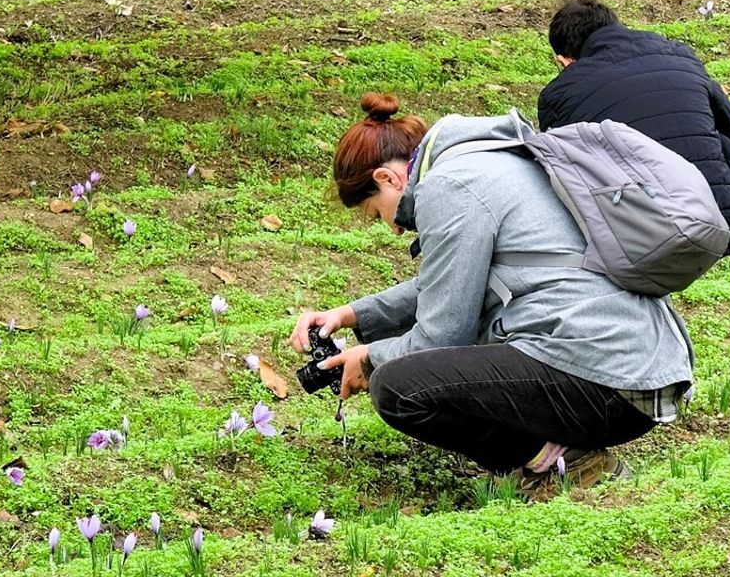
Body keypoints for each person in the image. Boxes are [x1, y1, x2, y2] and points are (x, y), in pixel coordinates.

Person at [289, 93, 694, 492]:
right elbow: (454, 281)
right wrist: (349, 314)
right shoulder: (488, 159)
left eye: (378, 213)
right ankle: (563, 453)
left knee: (396, 388)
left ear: (387, 178)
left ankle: (566, 463)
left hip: (607, 381)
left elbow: (442, 335)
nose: (393, 228)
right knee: (403, 370)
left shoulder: (449, 187)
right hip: (634, 368)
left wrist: (371, 358)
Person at [538, 0, 730, 256]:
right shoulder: (679, 55)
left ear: (564, 60)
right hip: (727, 216)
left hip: (641, 235)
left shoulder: (560, 92)